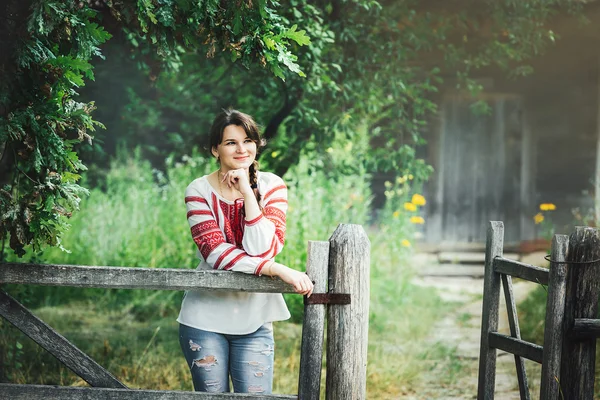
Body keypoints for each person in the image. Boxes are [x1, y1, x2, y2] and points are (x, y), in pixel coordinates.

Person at [177, 109, 314, 394]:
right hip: (204, 317)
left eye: (248, 140)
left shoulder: (272, 185)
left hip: (255, 317)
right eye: (230, 142)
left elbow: (265, 247)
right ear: (215, 149)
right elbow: (214, 252)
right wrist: (275, 269)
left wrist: (248, 194)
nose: (242, 149)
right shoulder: (198, 190)